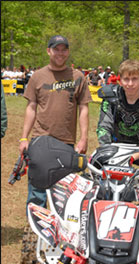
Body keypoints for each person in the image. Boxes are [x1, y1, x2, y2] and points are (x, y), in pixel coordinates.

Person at [19, 35, 92, 211]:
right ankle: (35, 228)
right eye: (56, 49)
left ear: (68, 51)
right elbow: (31, 107)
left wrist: (83, 138)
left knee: (65, 188)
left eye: (64, 49)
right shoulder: (37, 76)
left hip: (66, 141)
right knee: (38, 187)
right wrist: (23, 138)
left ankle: (62, 229)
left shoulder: (78, 77)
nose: (60, 53)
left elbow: (83, 108)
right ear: (48, 51)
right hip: (40, 139)